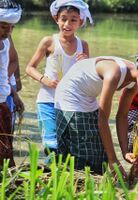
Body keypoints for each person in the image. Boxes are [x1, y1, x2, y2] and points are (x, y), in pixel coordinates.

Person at [54, 50, 138, 176]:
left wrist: (124, 152)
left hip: (88, 99)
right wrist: (113, 160)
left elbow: (122, 116)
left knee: (99, 157)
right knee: (84, 157)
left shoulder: (134, 80)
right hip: (70, 98)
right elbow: (103, 120)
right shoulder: (114, 74)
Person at [26, 0, 92, 156]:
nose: (67, 24)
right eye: (63, 19)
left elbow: (88, 78)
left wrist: (86, 64)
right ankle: (51, 174)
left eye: (73, 20)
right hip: (47, 100)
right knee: (51, 143)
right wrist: (44, 79)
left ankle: (62, 176)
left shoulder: (83, 45)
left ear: (80, 22)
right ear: (56, 18)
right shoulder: (49, 41)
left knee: (68, 145)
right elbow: (30, 67)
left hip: (71, 103)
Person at [0, 0, 24, 168]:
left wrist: (14, 94)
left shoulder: (6, 41)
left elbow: (11, 63)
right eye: (4, 27)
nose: (8, 31)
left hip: (3, 102)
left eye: (12, 28)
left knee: (6, 149)